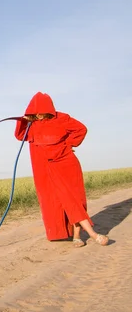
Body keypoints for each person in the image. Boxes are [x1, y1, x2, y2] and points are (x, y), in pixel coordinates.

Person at [14, 92, 109, 247]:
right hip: (44, 169)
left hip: (66, 165)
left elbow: (81, 129)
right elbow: (19, 135)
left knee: (74, 198)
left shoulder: (62, 118)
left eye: (41, 111)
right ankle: (73, 234)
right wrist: (23, 121)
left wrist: (68, 144)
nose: (38, 115)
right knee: (54, 200)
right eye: (35, 112)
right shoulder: (31, 125)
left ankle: (83, 235)